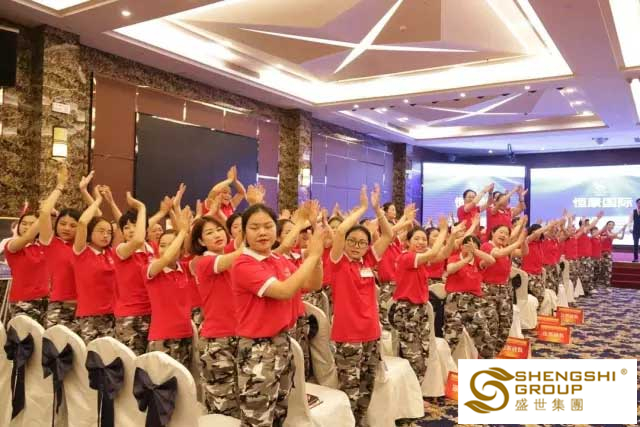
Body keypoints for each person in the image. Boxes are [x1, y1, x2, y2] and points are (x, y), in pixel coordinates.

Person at [230, 203, 323, 427]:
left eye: (268, 226)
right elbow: (284, 291)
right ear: (244, 233)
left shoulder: (278, 259)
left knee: (280, 413)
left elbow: (312, 284)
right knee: (257, 418)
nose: (262, 232)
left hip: (282, 342)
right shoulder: (243, 263)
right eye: (254, 228)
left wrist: (316, 258)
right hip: (257, 349)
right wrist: (312, 257)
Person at [329, 184, 394, 426]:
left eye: (362, 243)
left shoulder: (367, 262)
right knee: (350, 387)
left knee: (367, 384)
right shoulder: (338, 262)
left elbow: (388, 236)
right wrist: (363, 207)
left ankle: (359, 421)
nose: (356, 246)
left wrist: (378, 210)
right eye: (352, 241)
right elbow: (340, 232)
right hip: (348, 335)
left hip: (371, 333)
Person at [191, 215, 243, 416]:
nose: (217, 235)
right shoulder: (204, 261)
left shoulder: (229, 258)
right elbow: (239, 253)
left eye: (219, 229)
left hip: (240, 334)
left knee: (242, 401)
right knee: (222, 406)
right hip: (217, 340)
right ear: (201, 241)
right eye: (209, 233)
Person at [390, 217, 448, 382]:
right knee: (413, 356)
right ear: (407, 242)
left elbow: (443, 254)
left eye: (424, 239)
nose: (421, 242)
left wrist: (451, 237)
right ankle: (412, 390)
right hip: (407, 310)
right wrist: (443, 231)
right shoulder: (407, 257)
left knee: (424, 352)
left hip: (421, 309)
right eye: (417, 239)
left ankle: (415, 390)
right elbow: (434, 253)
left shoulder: (420, 260)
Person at [146, 206, 194, 368]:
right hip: (162, 337)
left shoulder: (185, 268)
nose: (165, 249)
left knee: (184, 381)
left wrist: (186, 230)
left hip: (186, 334)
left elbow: (195, 250)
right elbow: (166, 258)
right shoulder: (151, 268)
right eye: (162, 245)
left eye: (171, 245)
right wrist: (182, 231)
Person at [39, 164, 81, 331]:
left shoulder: (81, 246)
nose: (67, 228)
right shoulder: (51, 243)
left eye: (73, 225)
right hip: (58, 307)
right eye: (63, 223)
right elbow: (44, 212)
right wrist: (60, 186)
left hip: (82, 307)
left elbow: (96, 217)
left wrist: (85, 191)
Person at [73, 186, 117, 343]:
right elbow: (82, 222)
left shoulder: (111, 252)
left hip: (113, 314)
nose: (106, 235)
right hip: (90, 316)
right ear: (90, 232)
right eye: (101, 231)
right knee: (92, 354)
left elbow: (122, 225)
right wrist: (98, 199)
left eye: (109, 232)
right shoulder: (82, 251)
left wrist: (111, 202)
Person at [113, 193, 153, 356]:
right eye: (126, 227)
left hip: (152, 313)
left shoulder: (152, 251)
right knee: (131, 362)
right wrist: (141, 207)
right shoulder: (121, 250)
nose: (130, 230)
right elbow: (137, 240)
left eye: (135, 225)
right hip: (129, 316)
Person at [444, 235, 496, 358]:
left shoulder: (478, 261)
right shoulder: (455, 258)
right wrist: (466, 259)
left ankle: (487, 361)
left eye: (473, 246)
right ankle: (447, 363)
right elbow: (450, 269)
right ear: (462, 246)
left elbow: (491, 261)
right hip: (455, 300)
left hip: (474, 301)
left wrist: (475, 251)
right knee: (452, 333)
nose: (470, 249)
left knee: (482, 331)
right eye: (467, 245)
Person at [480, 220, 528, 355]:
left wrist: (523, 239)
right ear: (493, 233)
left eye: (506, 234)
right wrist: (517, 243)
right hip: (488, 291)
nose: (503, 235)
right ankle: (486, 356)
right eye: (501, 232)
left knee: (505, 325)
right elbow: (497, 255)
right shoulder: (487, 246)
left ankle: (495, 354)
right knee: (491, 324)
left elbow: (524, 252)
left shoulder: (507, 249)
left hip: (505, 290)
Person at [600, 221, 626, 286]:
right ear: (606, 225)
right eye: (609, 224)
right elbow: (609, 235)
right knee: (600, 269)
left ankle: (607, 285)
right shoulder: (601, 232)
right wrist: (621, 229)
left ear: (613, 227)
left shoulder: (612, 234)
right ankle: (598, 284)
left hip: (608, 253)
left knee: (608, 270)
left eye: (612, 225)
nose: (610, 226)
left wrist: (623, 230)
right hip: (600, 253)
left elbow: (621, 238)